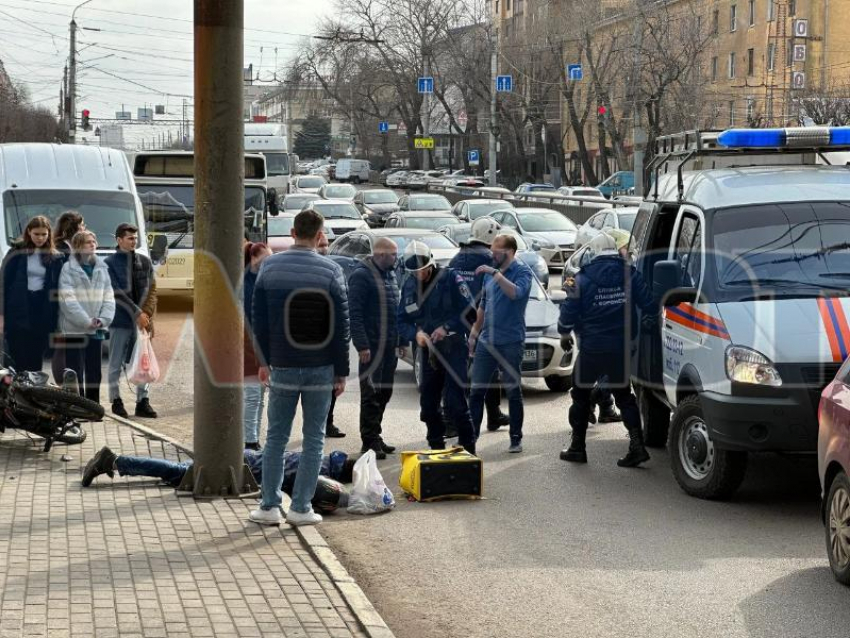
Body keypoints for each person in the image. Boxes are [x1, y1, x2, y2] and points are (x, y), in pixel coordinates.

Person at [249, 209, 350, 527]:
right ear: (320, 235)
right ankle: (301, 508)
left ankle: (268, 507)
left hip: (282, 365)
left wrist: (263, 362)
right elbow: (340, 326)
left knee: (276, 438)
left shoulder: (269, 267)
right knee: (313, 438)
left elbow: (258, 321)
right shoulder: (332, 271)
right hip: (320, 366)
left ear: (292, 232)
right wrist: (341, 371)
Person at [558, 232, 655, 467]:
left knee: (580, 396)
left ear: (594, 252)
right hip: (620, 348)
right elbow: (650, 305)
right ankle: (637, 446)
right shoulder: (630, 274)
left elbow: (568, 312)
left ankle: (577, 448)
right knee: (624, 397)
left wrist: (563, 333)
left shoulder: (581, 278)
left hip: (591, 348)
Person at [398, 240, 476, 454]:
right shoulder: (409, 285)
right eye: (414, 272)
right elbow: (401, 320)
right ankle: (436, 448)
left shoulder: (450, 278)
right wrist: (415, 334)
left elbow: (470, 313)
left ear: (430, 264)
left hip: (454, 348)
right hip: (428, 351)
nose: (419, 275)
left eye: (422, 271)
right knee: (428, 406)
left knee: (455, 403)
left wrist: (447, 327)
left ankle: (469, 449)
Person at [467, 234, 533, 453]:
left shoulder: (522, 272)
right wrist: (474, 333)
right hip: (487, 342)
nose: (492, 255)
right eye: (492, 251)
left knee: (513, 391)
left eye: (497, 251)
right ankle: (470, 441)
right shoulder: (488, 275)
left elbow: (516, 293)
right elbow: (483, 306)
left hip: (511, 341)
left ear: (511, 252)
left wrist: (494, 273)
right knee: (476, 392)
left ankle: (516, 438)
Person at [448, 217, 510, 432]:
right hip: (484, 322)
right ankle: (492, 415)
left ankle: (460, 420)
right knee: (490, 370)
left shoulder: (456, 259)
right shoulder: (491, 259)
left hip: (458, 324)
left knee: (460, 373)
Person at [82, 445, 355, 490]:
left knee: (178, 474)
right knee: (177, 472)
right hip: (238, 465)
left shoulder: (317, 457)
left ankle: (116, 461)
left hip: (244, 458)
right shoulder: (317, 475)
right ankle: (115, 461)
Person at [348, 237, 400, 460]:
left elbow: (395, 311)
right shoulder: (362, 275)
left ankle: (376, 435)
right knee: (371, 393)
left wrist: (401, 342)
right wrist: (362, 345)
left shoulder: (389, 274)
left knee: (384, 392)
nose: (396, 258)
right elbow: (355, 314)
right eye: (393, 254)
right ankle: (369, 441)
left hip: (389, 345)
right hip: (371, 346)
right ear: (380, 255)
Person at [105, 224, 158, 419]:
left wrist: (147, 315)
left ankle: (142, 402)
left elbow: (152, 289)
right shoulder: (109, 263)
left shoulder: (144, 261)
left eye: (135, 238)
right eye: (129, 238)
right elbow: (116, 292)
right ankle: (115, 401)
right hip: (120, 320)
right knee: (116, 363)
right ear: (119, 240)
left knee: (144, 362)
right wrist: (137, 313)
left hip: (143, 321)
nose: (133, 241)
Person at [58, 230, 115, 403]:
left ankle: (93, 405)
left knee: (94, 370)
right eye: (87, 242)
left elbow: (109, 296)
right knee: (75, 369)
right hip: (75, 328)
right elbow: (67, 300)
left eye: (93, 241)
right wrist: (85, 321)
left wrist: (103, 319)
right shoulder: (68, 269)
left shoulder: (102, 268)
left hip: (97, 328)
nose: (92, 244)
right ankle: (77, 405)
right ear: (77, 247)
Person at [0, 216, 64, 372]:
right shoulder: (16, 252)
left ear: (49, 234)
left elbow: (59, 288)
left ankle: (33, 390)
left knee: (36, 356)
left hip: (42, 308)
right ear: (29, 232)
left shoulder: (55, 256)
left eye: (44, 234)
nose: (40, 238)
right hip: (18, 307)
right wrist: (1, 315)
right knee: (17, 354)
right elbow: (3, 284)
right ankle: (16, 391)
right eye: (37, 234)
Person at [242, 242, 273, 450]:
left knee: (260, 395)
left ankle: (254, 439)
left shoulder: (264, 281)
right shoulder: (244, 283)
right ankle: (249, 441)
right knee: (253, 395)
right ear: (253, 259)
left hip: (262, 344)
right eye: (265, 260)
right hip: (247, 344)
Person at [51, 210, 86, 383]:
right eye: (82, 225)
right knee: (62, 346)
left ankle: (70, 387)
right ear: (75, 227)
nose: (84, 227)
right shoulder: (61, 248)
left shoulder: (73, 246)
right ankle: (62, 387)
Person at [318, 234, 345, 439]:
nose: (324, 248)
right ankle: (320, 424)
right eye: (320, 245)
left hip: (330, 342)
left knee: (331, 391)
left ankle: (328, 423)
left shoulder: (335, 271)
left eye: (326, 245)